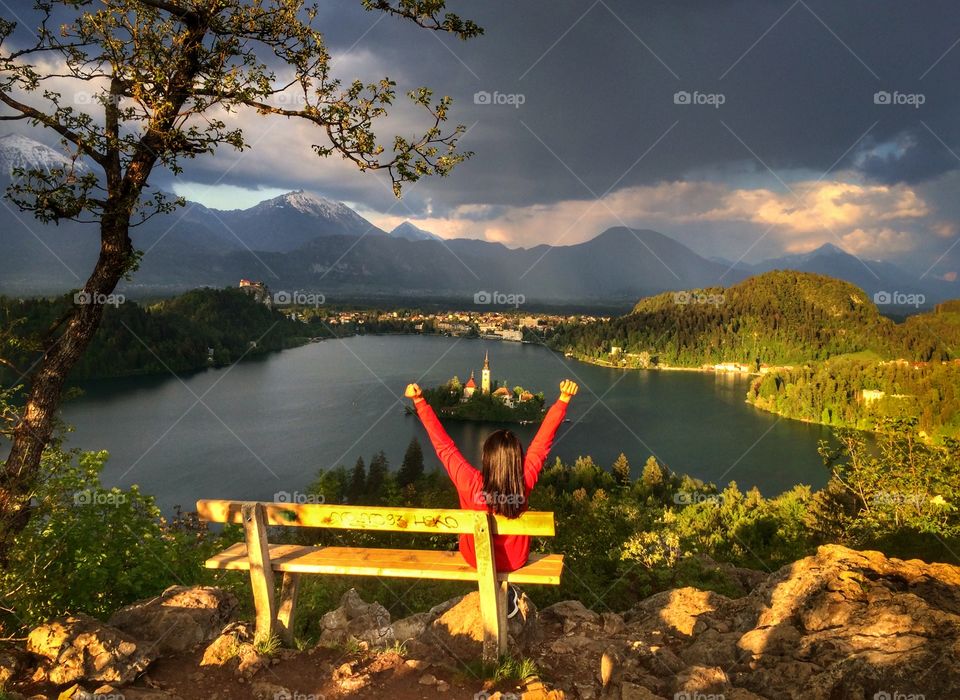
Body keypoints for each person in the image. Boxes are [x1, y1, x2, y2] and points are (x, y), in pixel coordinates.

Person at [404, 378, 579, 617]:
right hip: (515, 560)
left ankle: (497, 594)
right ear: (516, 459)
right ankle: (506, 597)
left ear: (487, 458)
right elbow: (541, 445)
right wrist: (563, 400)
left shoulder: (469, 482)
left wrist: (420, 401)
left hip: (476, 557)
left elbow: (443, 446)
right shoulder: (523, 481)